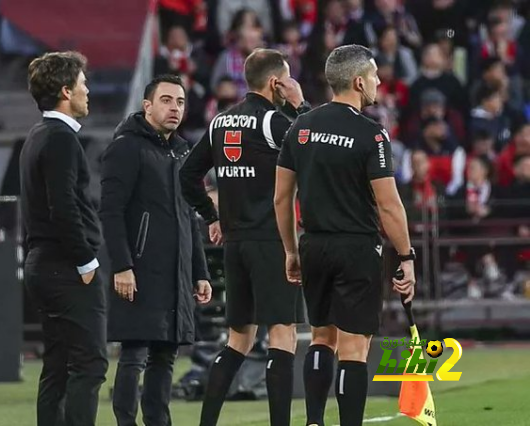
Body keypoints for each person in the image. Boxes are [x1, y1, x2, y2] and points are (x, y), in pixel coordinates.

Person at [274, 44, 416, 426]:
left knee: (322, 337)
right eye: (373, 75)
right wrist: (406, 257)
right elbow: (389, 206)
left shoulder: (300, 127)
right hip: (356, 247)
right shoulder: (372, 134)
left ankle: (314, 422)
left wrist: (291, 250)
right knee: (355, 348)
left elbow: (281, 198)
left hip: (314, 246)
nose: (378, 81)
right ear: (358, 81)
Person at [179, 48, 311, 426]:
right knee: (282, 337)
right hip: (272, 242)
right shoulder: (273, 122)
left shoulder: (221, 121)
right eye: (286, 80)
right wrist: (301, 106)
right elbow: (315, 146)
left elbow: (188, 176)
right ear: (276, 83)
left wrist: (211, 216)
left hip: (235, 244)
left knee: (239, 341)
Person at [100, 74, 212, 426]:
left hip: (175, 271)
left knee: (165, 356)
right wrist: (121, 265)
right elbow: (111, 211)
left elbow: (189, 217)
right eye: (166, 100)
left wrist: (199, 271)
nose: (174, 108)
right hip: (138, 269)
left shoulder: (183, 151)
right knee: (134, 354)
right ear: (147, 105)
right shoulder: (126, 147)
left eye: (179, 102)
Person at [20, 51, 107, 426]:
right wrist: (86, 260)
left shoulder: (37, 135)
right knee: (90, 364)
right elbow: (64, 208)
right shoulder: (61, 139)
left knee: (56, 364)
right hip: (65, 266)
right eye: (84, 84)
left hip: (43, 263)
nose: (89, 91)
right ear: (66, 91)